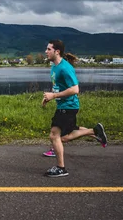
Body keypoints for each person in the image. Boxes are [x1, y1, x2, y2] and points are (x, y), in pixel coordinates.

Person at [41, 39, 108, 177]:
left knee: (55, 135)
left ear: (57, 51)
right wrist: (48, 97)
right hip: (63, 106)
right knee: (63, 137)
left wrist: (54, 96)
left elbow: (75, 89)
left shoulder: (65, 68)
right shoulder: (54, 66)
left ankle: (61, 168)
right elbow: (58, 86)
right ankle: (95, 131)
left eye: (48, 49)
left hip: (69, 106)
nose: (46, 52)